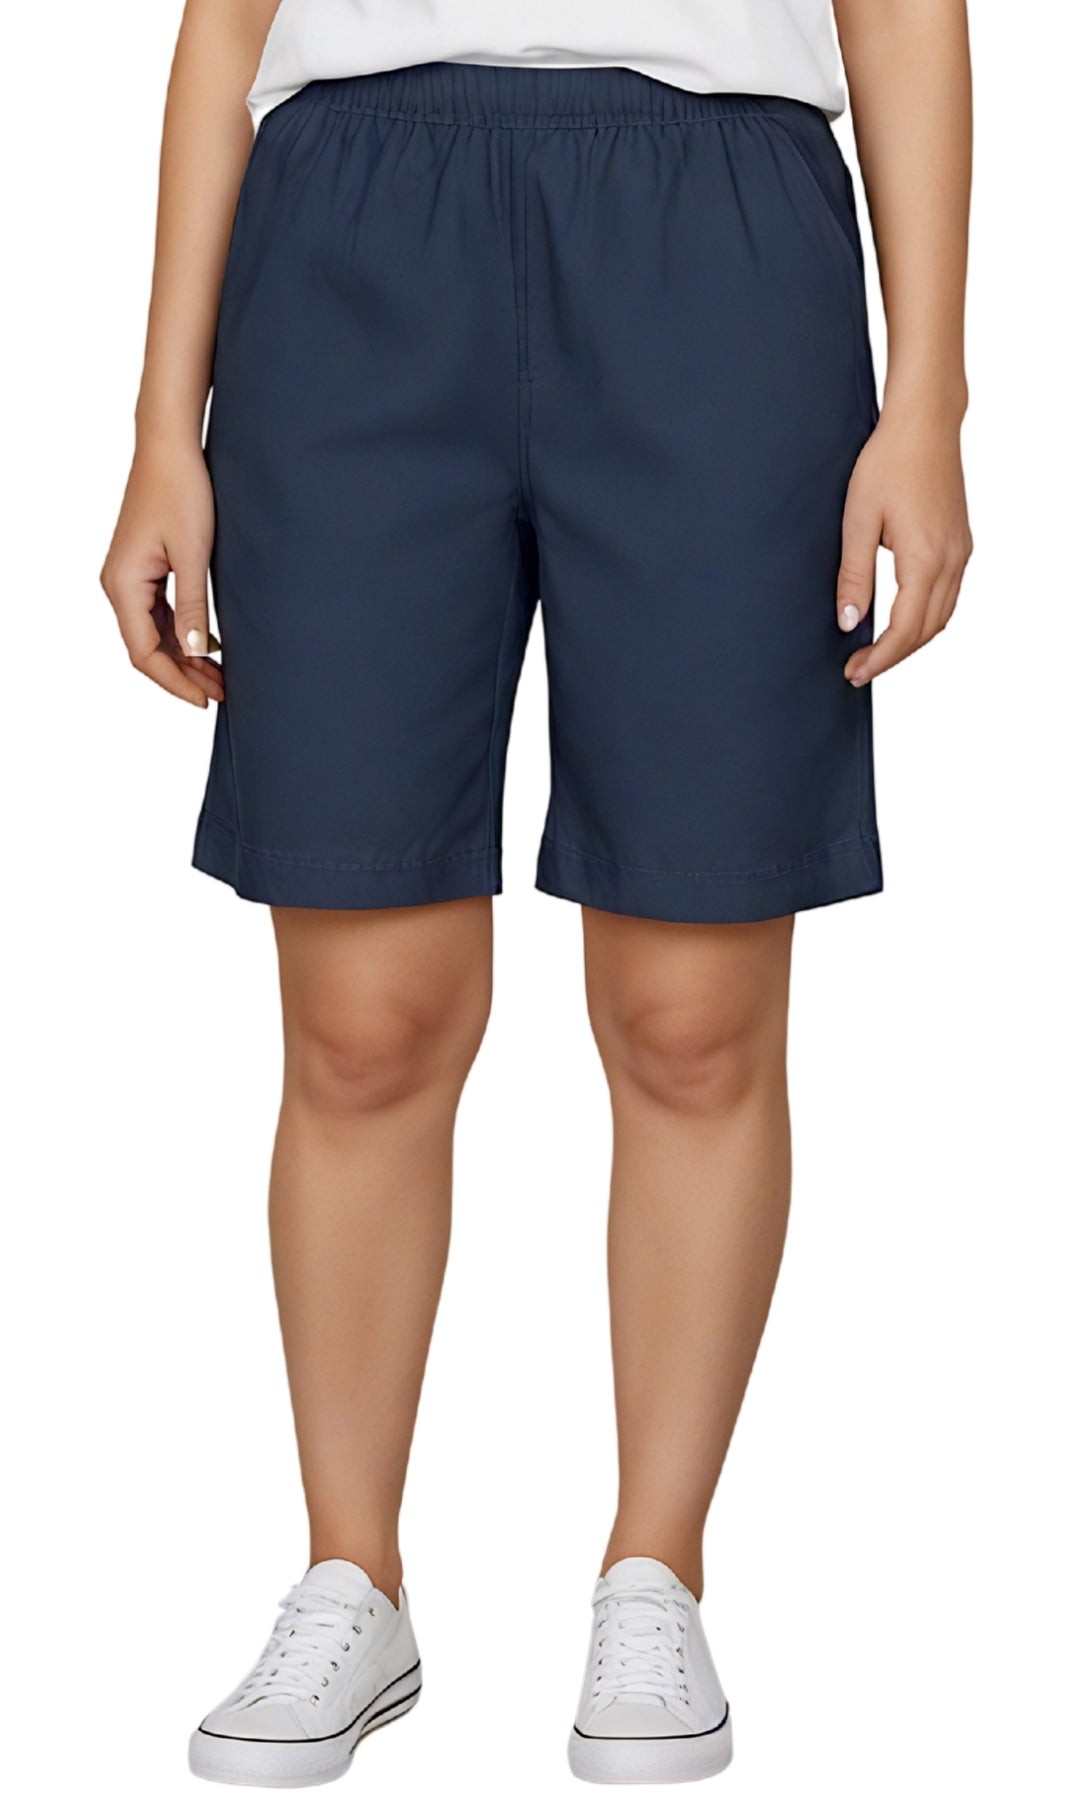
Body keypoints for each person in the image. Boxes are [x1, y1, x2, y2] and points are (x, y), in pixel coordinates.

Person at [100, 0, 973, 1786]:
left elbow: (900, 12)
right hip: (349, 237)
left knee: (689, 1011)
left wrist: (928, 397)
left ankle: (654, 1570)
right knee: (360, 1019)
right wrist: (158, 429)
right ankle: (352, 1574)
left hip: (714, 238)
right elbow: (221, 25)